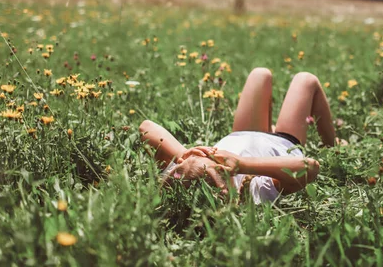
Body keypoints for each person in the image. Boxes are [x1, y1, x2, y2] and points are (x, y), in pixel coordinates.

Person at [139, 68, 346, 204]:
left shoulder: (182, 176)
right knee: (306, 80)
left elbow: (146, 127)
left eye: (206, 156)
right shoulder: (251, 190)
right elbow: (310, 167)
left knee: (260, 74)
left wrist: (184, 155)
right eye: (211, 160)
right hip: (283, 140)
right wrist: (242, 164)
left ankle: (269, 124)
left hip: (242, 132)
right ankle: (333, 146)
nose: (210, 155)